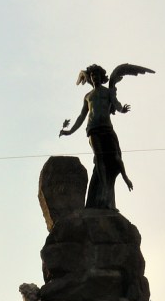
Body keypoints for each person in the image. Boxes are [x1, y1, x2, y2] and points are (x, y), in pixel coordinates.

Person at [59, 63, 153, 210]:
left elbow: (116, 104)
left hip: (107, 128)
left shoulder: (108, 92)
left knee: (115, 157)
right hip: (93, 129)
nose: (94, 77)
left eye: (96, 75)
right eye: (92, 75)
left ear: (101, 77)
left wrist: (122, 109)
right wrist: (70, 131)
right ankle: (104, 191)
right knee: (100, 159)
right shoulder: (88, 96)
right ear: (90, 78)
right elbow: (81, 116)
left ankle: (120, 181)